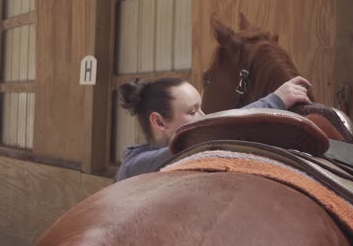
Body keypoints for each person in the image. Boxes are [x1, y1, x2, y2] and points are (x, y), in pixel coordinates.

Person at [114, 76, 312, 182]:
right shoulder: (134, 167)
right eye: (192, 112)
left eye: (201, 108)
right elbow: (211, 132)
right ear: (159, 122)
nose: (203, 117)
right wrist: (274, 101)